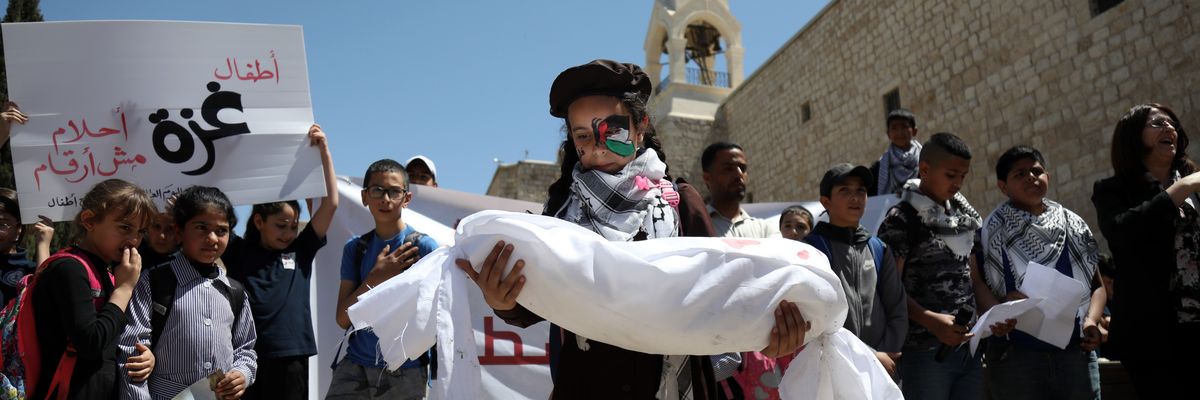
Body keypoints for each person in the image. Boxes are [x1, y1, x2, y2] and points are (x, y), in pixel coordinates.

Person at [455, 59, 808, 400]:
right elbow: (536, 304)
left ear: (640, 128)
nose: (598, 146)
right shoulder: (560, 216)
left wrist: (769, 330)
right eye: (583, 135)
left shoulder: (679, 203)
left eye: (613, 130)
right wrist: (503, 300)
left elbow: (723, 291)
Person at [876, 132, 1007, 400]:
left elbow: (974, 281)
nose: (958, 183)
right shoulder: (901, 219)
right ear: (925, 169)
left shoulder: (963, 219)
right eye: (951, 175)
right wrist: (930, 320)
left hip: (967, 349)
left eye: (963, 176)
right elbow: (889, 288)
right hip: (924, 352)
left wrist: (996, 313)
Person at [1092, 103, 1200, 398]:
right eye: (1157, 123)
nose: (1169, 128)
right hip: (1153, 333)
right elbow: (1124, 231)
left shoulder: (1193, 186)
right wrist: (1183, 187)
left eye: (1172, 124)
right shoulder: (1112, 190)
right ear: (1132, 137)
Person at [980, 145, 1105, 399]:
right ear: (1002, 186)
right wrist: (999, 309)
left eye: (1037, 170)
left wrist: (1091, 320)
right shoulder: (992, 230)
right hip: (1016, 356)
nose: (1031, 177)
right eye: (1020, 174)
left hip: (1074, 353)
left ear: (1047, 176)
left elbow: (1097, 286)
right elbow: (978, 284)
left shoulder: (1073, 224)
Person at [226, 125, 337, 400]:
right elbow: (211, 214)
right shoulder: (238, 251)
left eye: (292, 227)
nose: (288, 233)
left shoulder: (301, 252)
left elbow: (330, 204)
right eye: (280, 225)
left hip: (292, 357)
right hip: (246, 358)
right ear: (259, 221)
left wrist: (324, 151)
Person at [119, 186, 257, 400]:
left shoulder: (235, 291)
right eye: (201, 227)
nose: (212, 238)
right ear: (179, 231)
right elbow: (133, 351)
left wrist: (242, 374)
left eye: (221, 231)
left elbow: (246, 349)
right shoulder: (154, 281)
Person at [30, 179, 157, 399]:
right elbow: (90, 342)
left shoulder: (107, 271)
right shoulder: (70, 268)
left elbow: (112, 337)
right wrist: (124, 289)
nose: (134, 240)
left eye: (141, 232)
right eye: (125, 227)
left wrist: (145, 356)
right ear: (89, 221)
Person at [327, 159, 438, 400]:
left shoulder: (424, 247)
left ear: (406, 198)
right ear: (365, 196)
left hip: (406, 370)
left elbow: (437, 317)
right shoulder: (355, 249)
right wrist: (375, 278)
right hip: (354, 367)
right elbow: (342, 319)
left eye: (394, 191)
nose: (385, 199)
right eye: (377, 190)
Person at [805, 164, 907, 378]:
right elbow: (817, 319)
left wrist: (885, 352)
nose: (855, 197)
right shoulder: (813, 250)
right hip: (831, 368)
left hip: (881, 369)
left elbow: (897, 307)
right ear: (826, 202)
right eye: (845, 190)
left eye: (861, 190)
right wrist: (869, 355)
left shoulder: (878, 248)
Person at [701, 142, 779, 239]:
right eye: (728, 168)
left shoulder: (765, 231)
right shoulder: (690, 228)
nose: (739, 174)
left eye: (743, 168)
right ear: (707, 178)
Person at [0, 188, 53, 305]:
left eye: (2, 224)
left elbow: (44, 299)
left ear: (19, 228)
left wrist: (42, 244)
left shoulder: (30, 270)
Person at [876, 109, 922, 196]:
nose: (899, 132)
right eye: (894, 128)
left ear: (914, 131)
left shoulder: (925, 159)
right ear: (888, 134)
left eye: (904, 127)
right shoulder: (880, 166)